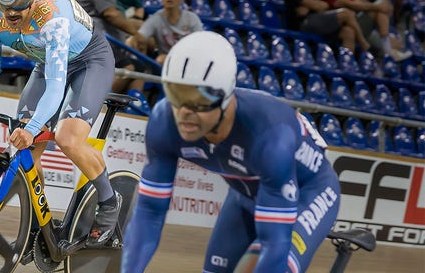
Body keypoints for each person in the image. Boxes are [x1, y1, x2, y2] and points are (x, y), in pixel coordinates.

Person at [121, 31, 341, 273]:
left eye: (199, 100)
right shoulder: (164, 120)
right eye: (176, 95)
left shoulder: (270, 135)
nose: (185, 111)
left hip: (308, 192)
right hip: (244, 195)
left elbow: (275, 245)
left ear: (226, 98)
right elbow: (149, 212)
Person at [0, 0, 122, 250]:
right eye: (2, 1)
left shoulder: (52, 17)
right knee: (26, 149)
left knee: (68, 138)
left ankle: (109, 203)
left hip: (90, 61)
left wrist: (32, 127)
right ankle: (39, 225)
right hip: (48, 61)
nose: (11, 10)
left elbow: (57, 87)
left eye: (20, 0)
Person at [75, 0, 146, 93]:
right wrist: (136, 34)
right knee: (129, 69)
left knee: (138, 68)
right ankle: (98, 100)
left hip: (92, 44)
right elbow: (111, 15)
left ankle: (131, 108)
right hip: (99, 44)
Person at [128, 0, 203, 65]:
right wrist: (132, 40)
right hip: (168, 60)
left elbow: (200, 42)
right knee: (160, 59)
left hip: (190, 59)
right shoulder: (155, 19)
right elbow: (141, 36)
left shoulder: (192, 18)